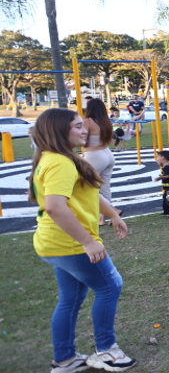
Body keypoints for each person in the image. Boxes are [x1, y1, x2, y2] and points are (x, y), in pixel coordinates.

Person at [30, 108, 136, 372]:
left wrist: (112, 214)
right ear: (59, 131)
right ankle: (106, 351)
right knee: (110, 286)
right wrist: (88, 241)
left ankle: (65, 359)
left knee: (70, 298)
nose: (85, 129)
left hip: (53, 242)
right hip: (69, 244)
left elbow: (88, 193)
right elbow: (55, 206)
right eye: (78, 126)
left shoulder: (60, 158)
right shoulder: (60, 162)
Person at [83, 99, 119, 227]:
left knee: (87, 186)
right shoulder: (106, 122)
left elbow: (81, 139)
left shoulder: (87, 122)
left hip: (94, 155)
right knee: (104, 187)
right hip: (107, 154)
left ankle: (112, 211)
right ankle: (103, 218)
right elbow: (110, 140)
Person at [153, 150, 169, 218]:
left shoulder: (168, 166)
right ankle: (166, 211)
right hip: (167, 186)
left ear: (162, 157)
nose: (156, 159)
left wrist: (160, 178)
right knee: (165, 198)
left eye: (157, 157)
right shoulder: (164, 166)